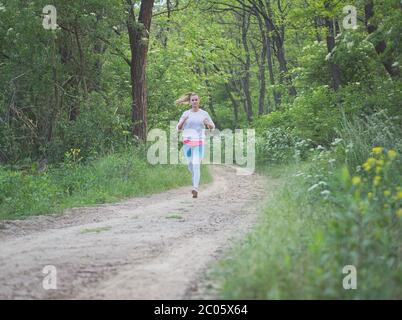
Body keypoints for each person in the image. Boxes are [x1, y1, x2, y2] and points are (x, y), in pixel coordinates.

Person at [176, 92, 215, 198]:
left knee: (196, 164)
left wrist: (208, 124)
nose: (194, 101)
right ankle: (195, 181)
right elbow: (178, 128)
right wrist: (183, 121)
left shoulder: (204, 114)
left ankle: (195, 188)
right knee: (190, 165)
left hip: (199, 142)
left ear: (199, 101)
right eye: (192, 100)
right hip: (187, 143)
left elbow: (212, 127)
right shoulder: (186, 113)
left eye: (196, 100)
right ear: (190, 102)